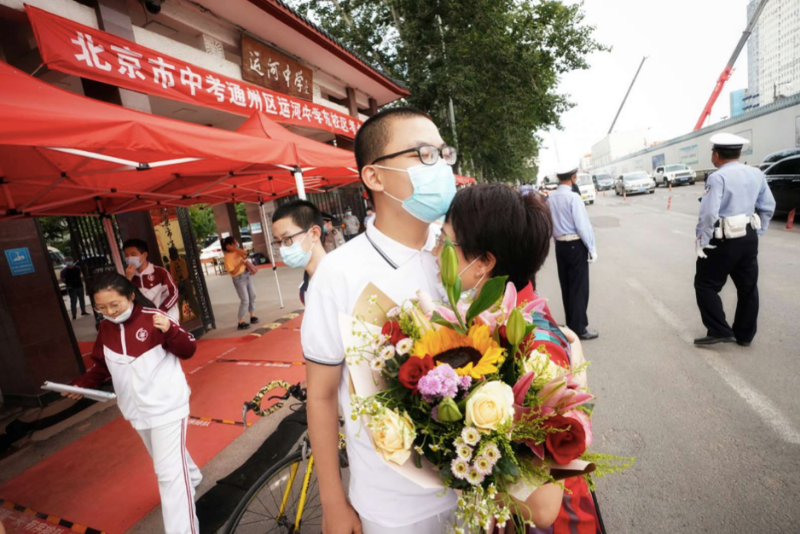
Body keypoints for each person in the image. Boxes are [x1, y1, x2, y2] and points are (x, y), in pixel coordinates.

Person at [302, 106, 463, 534]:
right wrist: (332, 502)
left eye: (444, 155)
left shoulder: (459, 256)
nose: (441, 168)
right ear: (374, 177)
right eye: (424, 155)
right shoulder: (338, 274)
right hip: (391, 508)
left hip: (475, 488)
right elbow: (319, 396)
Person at [441, 183, 599, 534]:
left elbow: (542, 508)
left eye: (444, 242)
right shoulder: (498, 314)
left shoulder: (534, 345)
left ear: (484, 262)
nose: (436, 252)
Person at [65, 273, 200, 534]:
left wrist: (170, 330)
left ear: (130, 296)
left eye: (115, 305)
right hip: (135, 410)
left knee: (168, 475)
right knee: (166, 458)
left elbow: (188, 350)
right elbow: (102, 365)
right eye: (101, 308)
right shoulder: (105, 327)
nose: (110, 312)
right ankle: (193, 476)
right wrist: (82, 384)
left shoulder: (155, 318)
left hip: (167, 406)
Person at [694, 133, 776, 346]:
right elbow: (768, 205)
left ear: (717, 154)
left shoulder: (717, 177)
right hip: (748, 237)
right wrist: (758, 232)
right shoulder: (756, 173)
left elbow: (709, 214)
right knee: (748, 287)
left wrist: (702, 240)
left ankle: (719, 329)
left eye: (712, 151)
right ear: (739, 153)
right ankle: (745, 335)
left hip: (723, 239)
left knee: (705, 285)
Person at [546, 165, 598, 340]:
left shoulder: (551, 199)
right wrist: (591, 248)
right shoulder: (573, 197)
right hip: (576, 244)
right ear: (574, 177)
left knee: (566, 286)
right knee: (579, 288)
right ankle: (579, 328)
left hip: (561, 246)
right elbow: (583, 227)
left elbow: (550, 225)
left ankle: (571, 324)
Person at [272, 200, 326, 305]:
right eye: (278, 242)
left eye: (287, 239)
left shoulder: (342, 278)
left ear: (314, 233)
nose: (282, 248)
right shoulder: (305, 285)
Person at [123, 238, 180, 323]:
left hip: (167, 316)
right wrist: (128, 279)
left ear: (144, 255)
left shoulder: (160, 272)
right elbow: (125, 300)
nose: (129, 258)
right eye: (126, 255)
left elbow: (174, 293)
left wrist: (161, 311)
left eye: (133, 254)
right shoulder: (129, 277)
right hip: (146, 321)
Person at [222, 236, 258, 330]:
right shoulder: (227, 257)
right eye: (234, 242)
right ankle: (241, 321)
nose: (236, 243)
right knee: (245, 300)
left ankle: (252, 316)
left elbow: (245, 253)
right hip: (238, 278)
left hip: (246, 275)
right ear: (229, 245)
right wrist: (240, 264)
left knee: (252, 295)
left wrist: (234, 248)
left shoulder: (237, 251)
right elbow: (232, 272)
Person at [60, 256, 88, 320]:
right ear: (65, 262)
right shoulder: (64, 271)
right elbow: (62, 279)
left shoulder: (77, 268)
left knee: (81, 299)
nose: (69, 262)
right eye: (67, 261)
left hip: (79, 285)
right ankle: (74, 315)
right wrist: (68, 283)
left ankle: (83, 311)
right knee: (73, 301)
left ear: (72, 261)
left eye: (69, 260)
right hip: (71, 288)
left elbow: (79, 275)